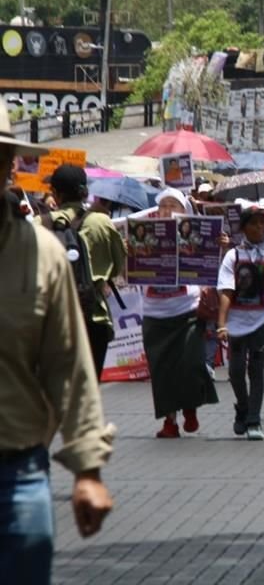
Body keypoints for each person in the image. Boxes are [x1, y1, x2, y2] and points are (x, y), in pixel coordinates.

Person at [0, 126, 115, 583]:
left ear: (9, 167)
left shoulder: (42, 253)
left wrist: (88, 468)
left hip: (17, 470)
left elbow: (68, 364)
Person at [142, 188, 220, 438]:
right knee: (161, 371)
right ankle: (169, 421)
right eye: (163, 205)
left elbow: (209, 268)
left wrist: (218, 247)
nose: (167, 210)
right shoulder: (144, 236)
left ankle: (190, 408)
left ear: (184, 211)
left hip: (187, 309)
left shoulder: (193, 236)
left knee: (191, 364)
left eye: (173, 205)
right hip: (155, 312)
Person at [41, 165, 127, 382]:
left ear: (56, 193)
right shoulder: (102, 222)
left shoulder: (39, 225)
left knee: (55, 389)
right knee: (88, 389)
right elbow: (117, 268)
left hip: (52, 319)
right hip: (93, 316)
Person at [217, 206, 264, 441]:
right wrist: (222, 323)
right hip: (236, 321)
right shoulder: (233, 256)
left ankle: (254, 420)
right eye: (254, 223)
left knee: (256, 368)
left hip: (263, 319)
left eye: (262, 223)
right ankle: (243, 407)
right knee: (235, 371)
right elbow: (226, 291)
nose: (259, 227)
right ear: (244, 227)